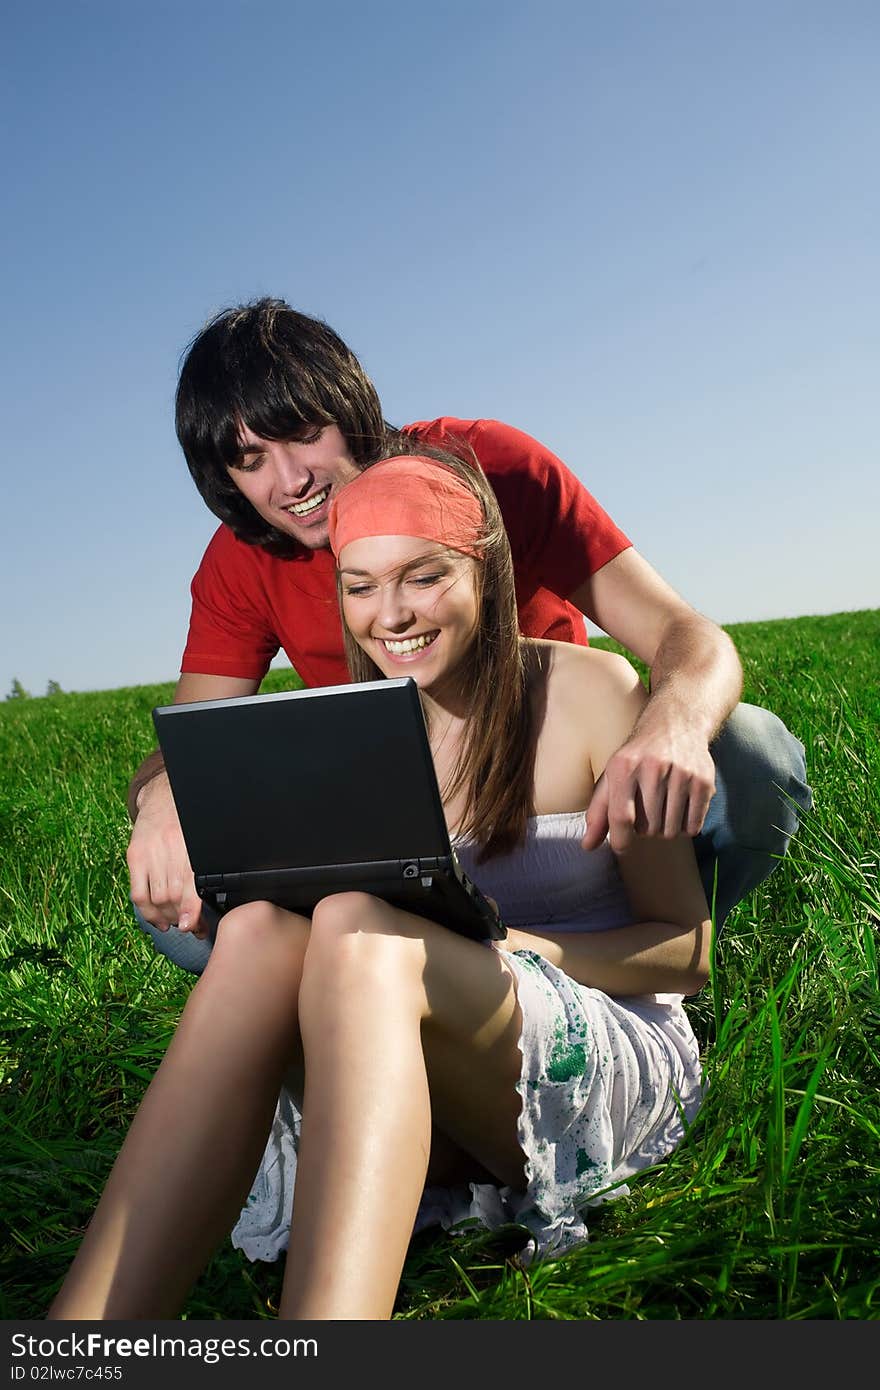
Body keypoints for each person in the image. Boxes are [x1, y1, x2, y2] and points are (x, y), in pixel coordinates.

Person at [49, 449, 711, 1321]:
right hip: (401, 1062)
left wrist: (510, 948)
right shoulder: (358, 734)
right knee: (258, 934)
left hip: (588, 1055)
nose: (390, 615)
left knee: (362, 929)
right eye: (359, 587)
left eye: (422, 577)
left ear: (486, 567)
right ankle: (83, 1342)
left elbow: (687, 953)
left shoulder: (590, 691)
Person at [127, 297, 811, 971]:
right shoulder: (240, 561)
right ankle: (405, 981)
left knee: (755, 761)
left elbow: (683, 633)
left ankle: (623, 950)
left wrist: (674, 728)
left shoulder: (494, 467)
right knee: (183, 913)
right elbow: (195, 747)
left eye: (304, 433)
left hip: (568, 799)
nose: (292, 479)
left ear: (351, 404)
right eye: (250, 461)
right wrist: (164, 798)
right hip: (410, 830)